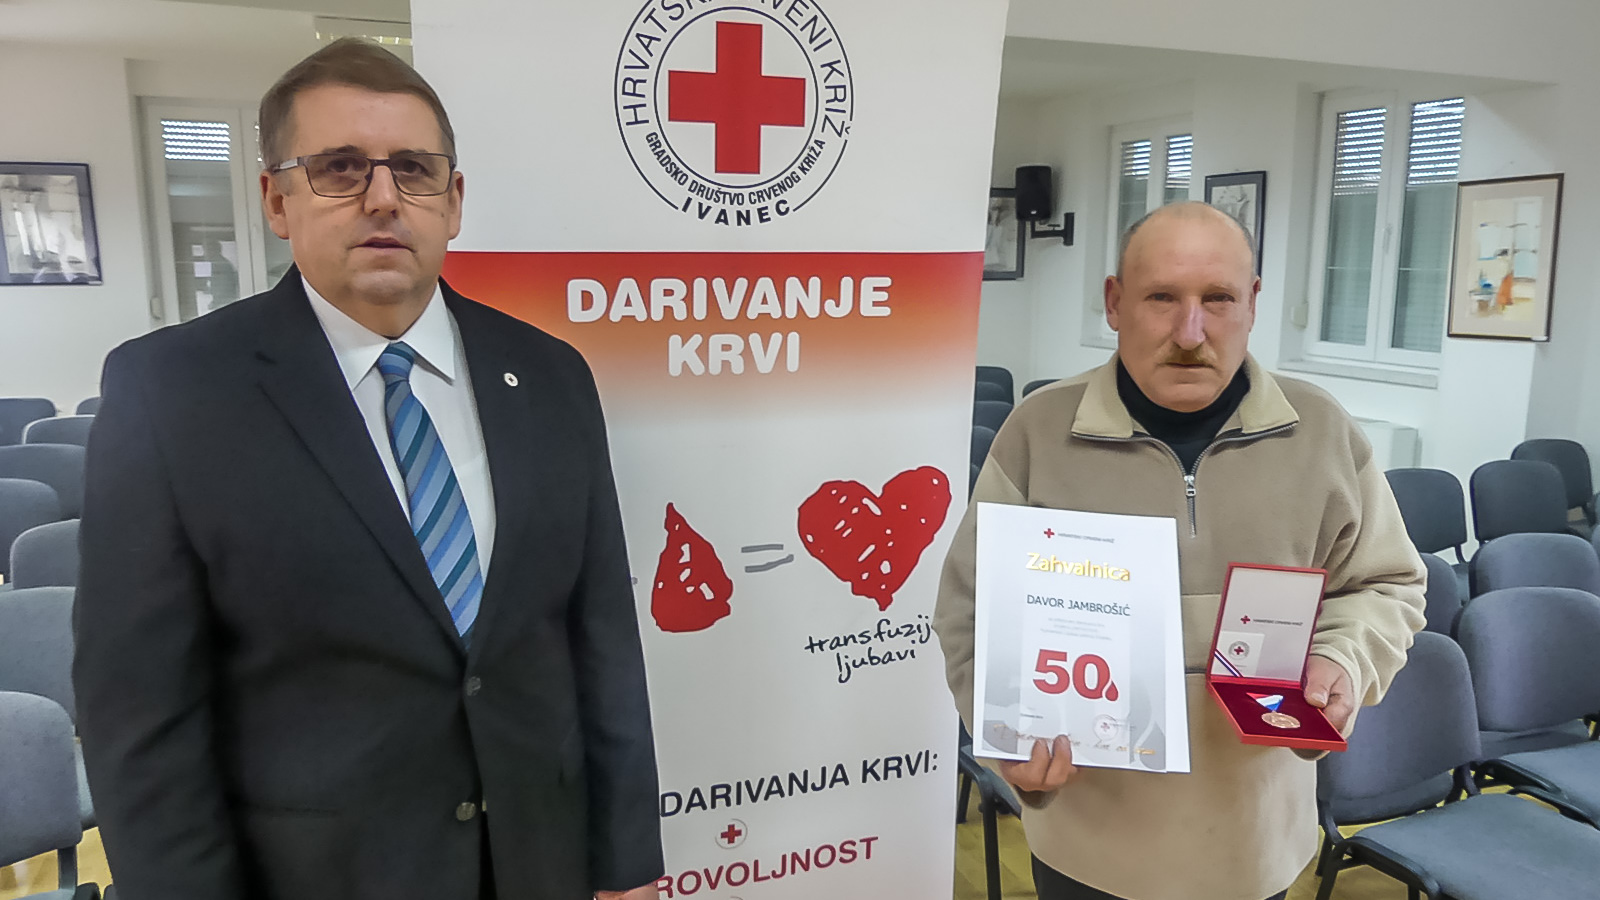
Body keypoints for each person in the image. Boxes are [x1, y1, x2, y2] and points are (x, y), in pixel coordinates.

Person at [74, 38, 663, 900]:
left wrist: (627, 859)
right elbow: (140, 713)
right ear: (276, 199)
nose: (383, 197)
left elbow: (600, 633)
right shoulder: (169, 392)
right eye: (340, 168)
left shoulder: (550, 375)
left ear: (452, 202)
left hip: (543, 859)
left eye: (414, 170)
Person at [933, 202, 1426, 900]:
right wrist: (1005, 734)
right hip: (1087, 844)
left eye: (1218, 298)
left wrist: (1344, 658)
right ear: (1115, 302)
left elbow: (1386, 584)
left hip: (1252, 844)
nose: (1191, 332)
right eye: (1162, 297)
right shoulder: (1038, 433)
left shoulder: (1322, 433)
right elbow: (969, 608)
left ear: (1252, 303)